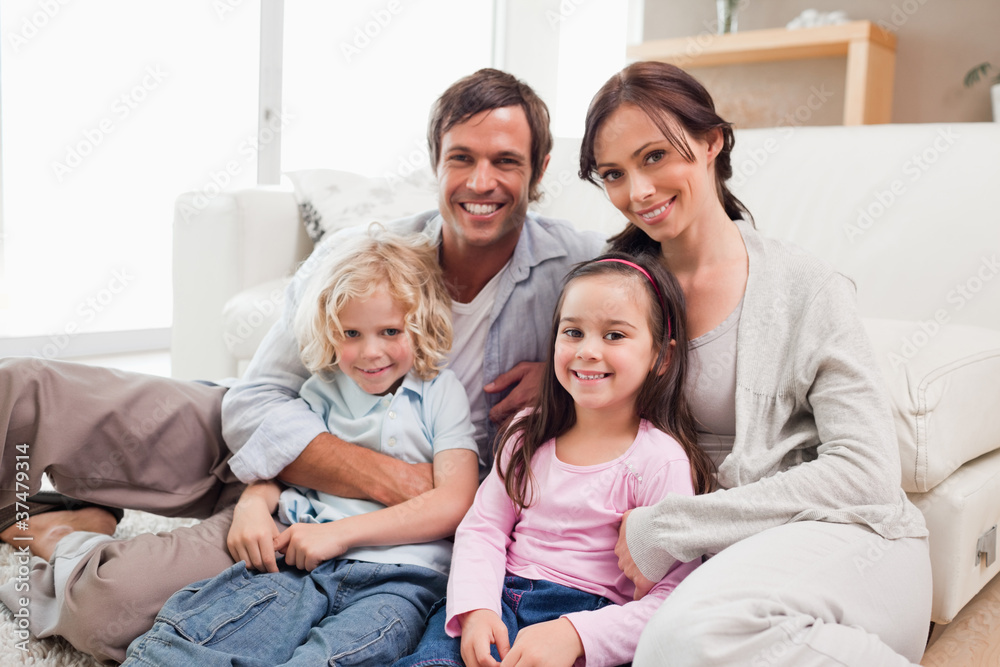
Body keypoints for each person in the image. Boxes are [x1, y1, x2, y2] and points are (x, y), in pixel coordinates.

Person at [0, 67, 603, 662]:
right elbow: (259, 398)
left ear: (540, 170)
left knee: (111, 606)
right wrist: (339, 482)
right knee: (22, 388)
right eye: (462, 158)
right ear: (435, 162)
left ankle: (60, 533)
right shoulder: (362, 255)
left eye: (506, 161)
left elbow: (643, 340)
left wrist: (558, 385)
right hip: (275, 437)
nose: (481, 181)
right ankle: (31, 503)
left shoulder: (575, 268)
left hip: (342, 520)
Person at [578, 61, 931, 666]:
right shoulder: (615, 288)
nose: (637, 191)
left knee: (681, 643)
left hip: (844, 540)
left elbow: (866, 473)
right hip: (718, 562)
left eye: (655, 156)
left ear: (712, 141)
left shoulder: (806, 287)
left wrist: (669, 528)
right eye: (614, 173)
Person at [122, 227, 481, 666]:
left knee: (329, 658)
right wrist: (253, 506)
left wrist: (337, 534)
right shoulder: (320, 390)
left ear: (420, 325)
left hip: (401, 578)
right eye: (351, 334)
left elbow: (456, 500)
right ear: (330, 332)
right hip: (301, 564)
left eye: (390, 331)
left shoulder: (440, 392)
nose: (371, 352)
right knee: (191, 632)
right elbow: (282, 470)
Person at [395, 253, 716, 667]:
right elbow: (484, 528)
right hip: (497, 600)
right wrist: (476, 609)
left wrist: (577, 636)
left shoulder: (661, 461)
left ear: (661, 358)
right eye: (573, 332)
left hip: (586, 624)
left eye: (615, 335)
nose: (588, 351)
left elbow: (672, 595)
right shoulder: (527, 433)